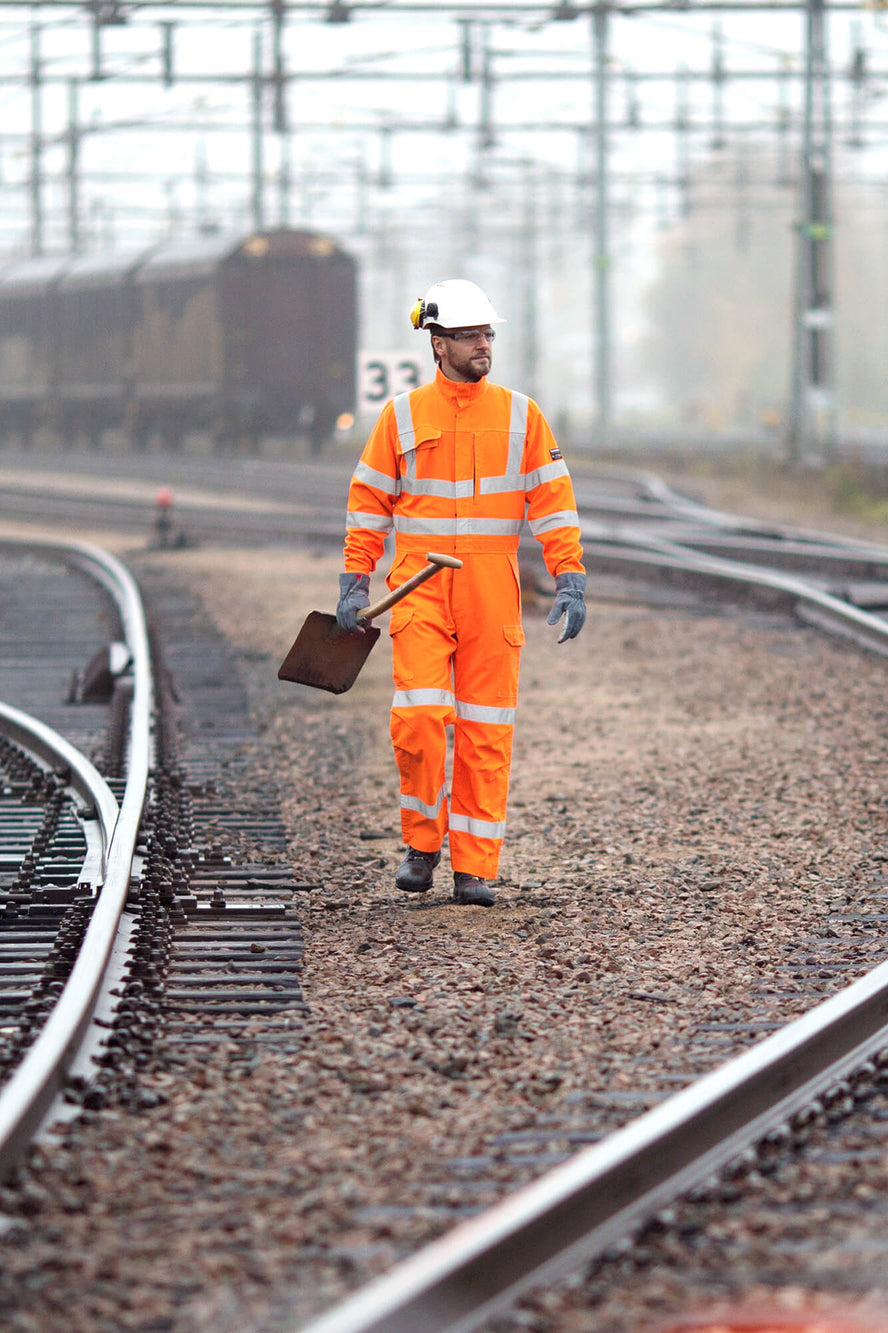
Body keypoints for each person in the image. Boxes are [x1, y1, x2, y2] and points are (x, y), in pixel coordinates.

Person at [336, 278, 586, 908]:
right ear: (438, 342)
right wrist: (353, 580)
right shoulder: (400, 416)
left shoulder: (522, 414)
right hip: (417, 587)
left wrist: (571, 575)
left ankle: (475, 867)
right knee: (419, 718)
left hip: (492, 592)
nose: (484, 345)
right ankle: (422, 843)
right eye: (471, 335)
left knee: (486, 730)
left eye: (488, 334)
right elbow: (369, 503)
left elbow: (552, 504)